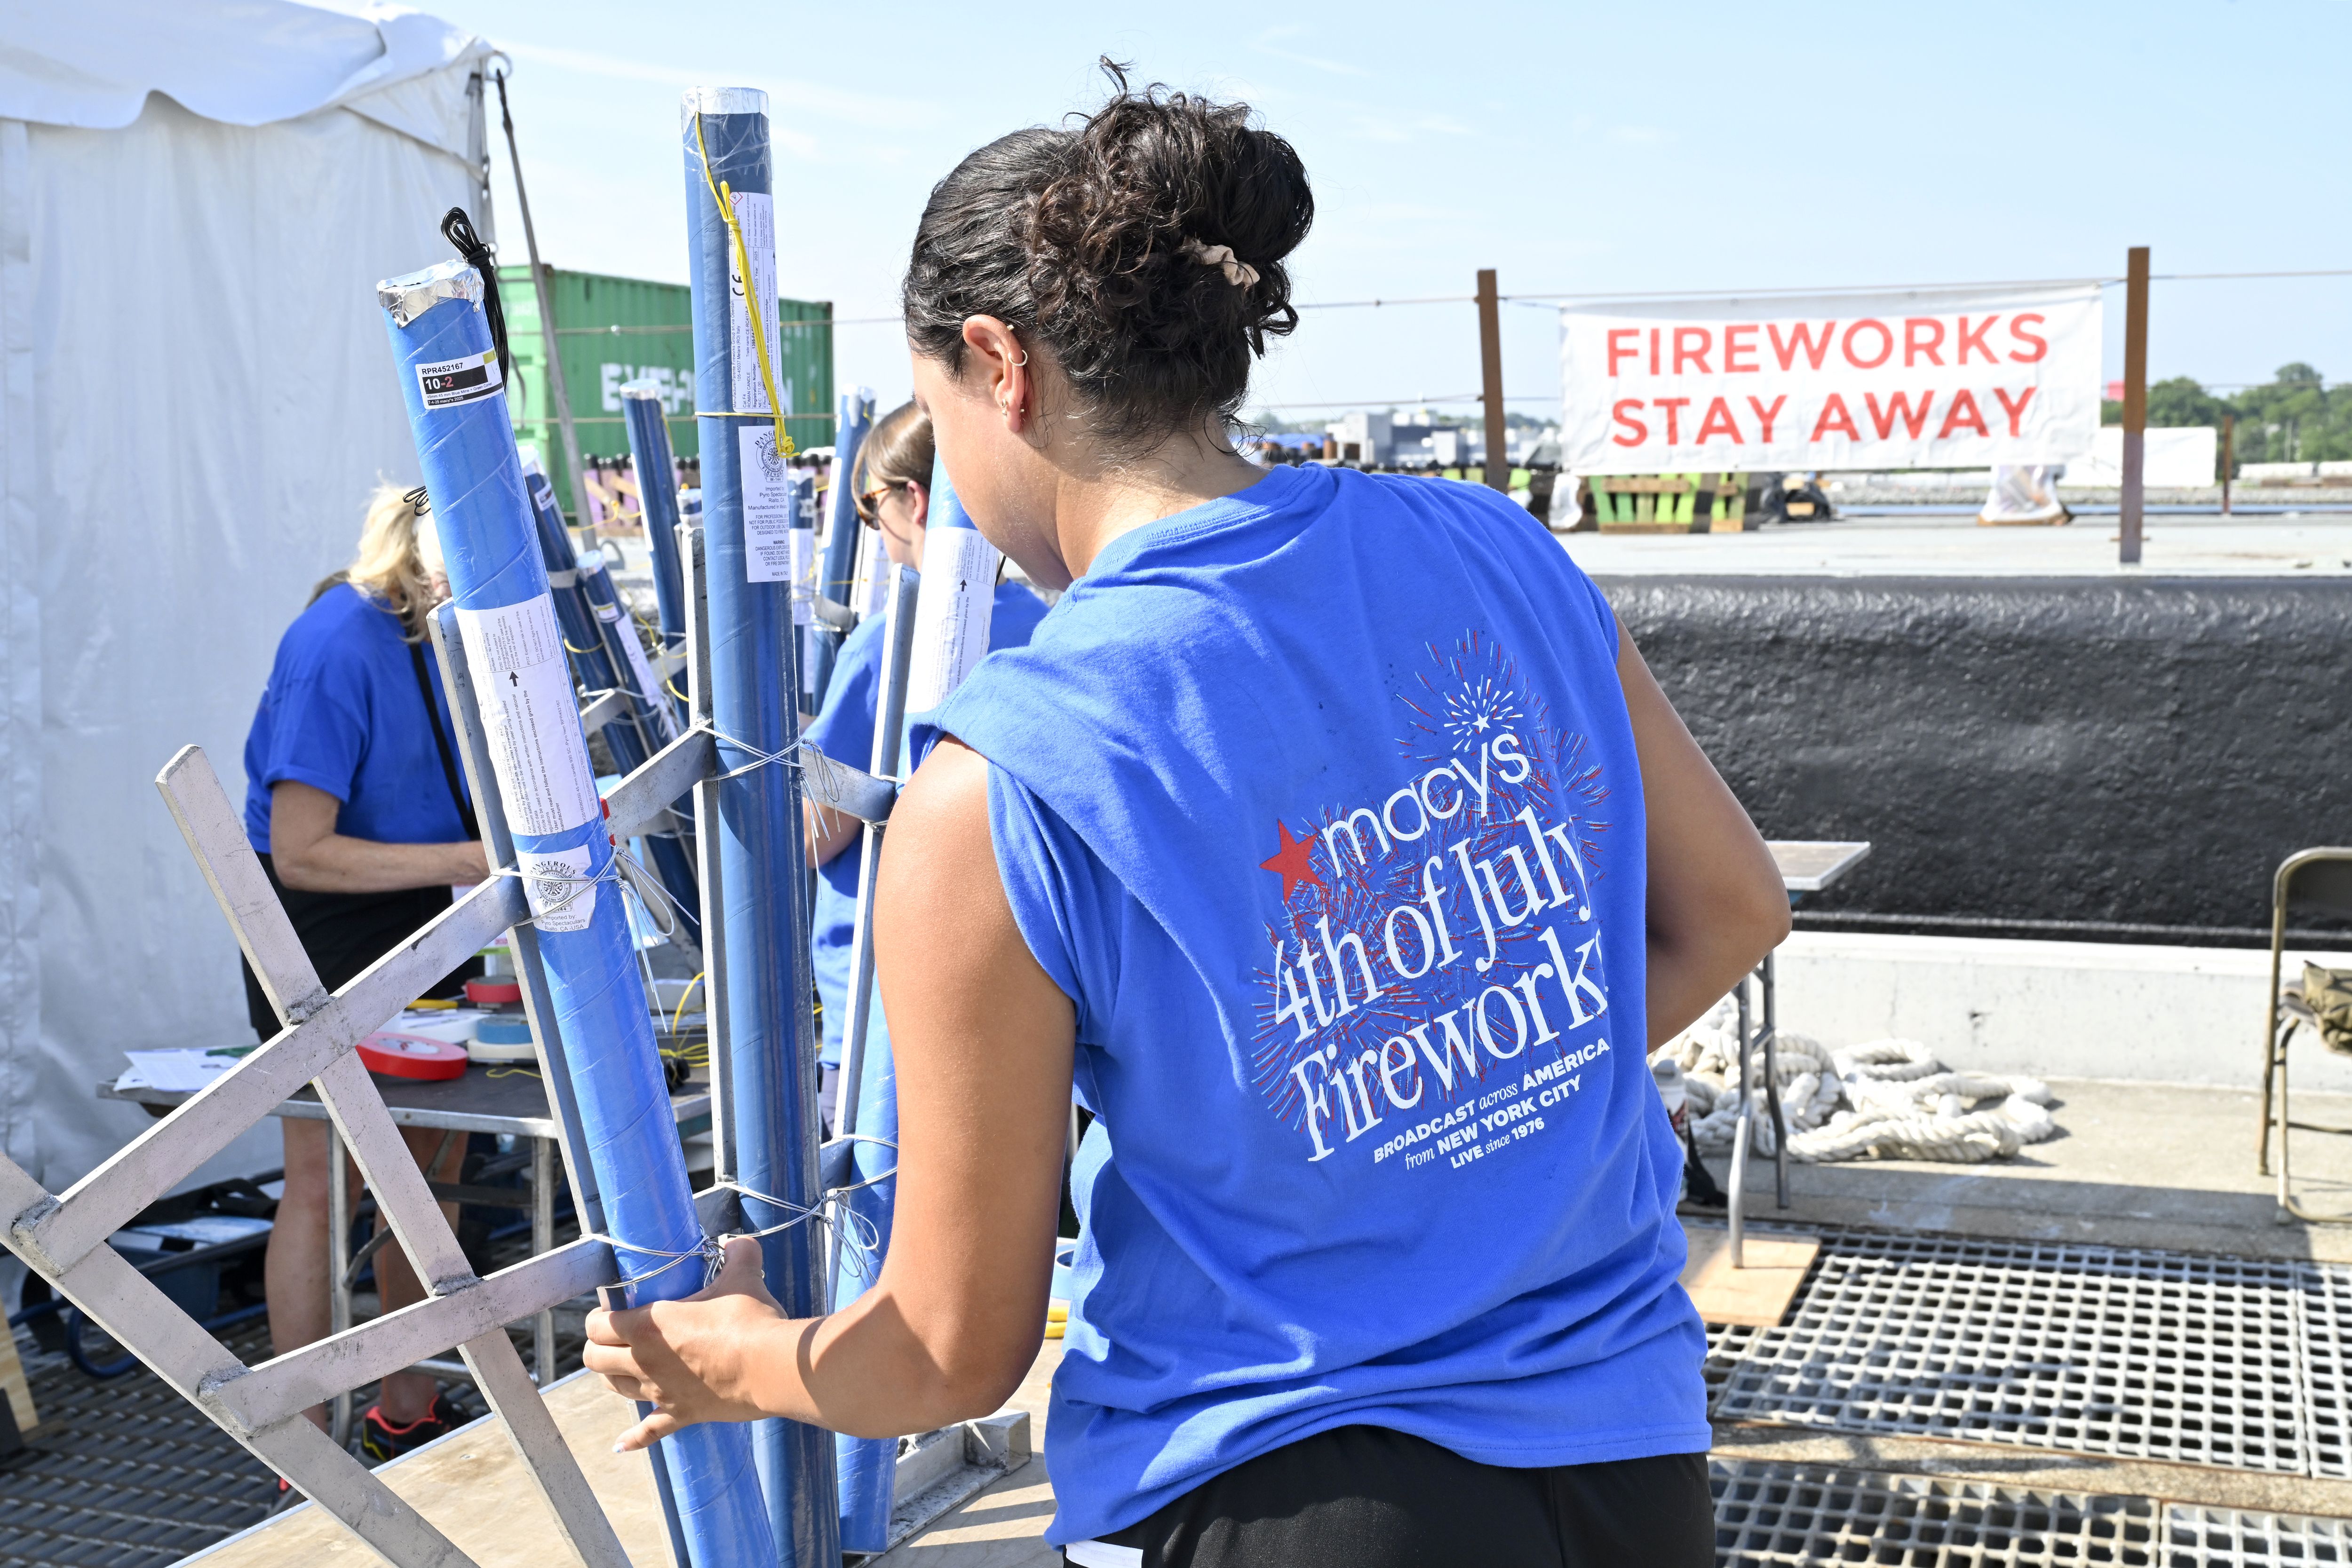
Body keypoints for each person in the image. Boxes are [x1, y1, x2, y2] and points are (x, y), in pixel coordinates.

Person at [585, 71, 1789, 1568]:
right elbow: (1735, 906)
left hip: (1271, 1481)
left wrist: (735, 1357)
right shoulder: (1493, 544)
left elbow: (954, 1343)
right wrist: (1461, 1096)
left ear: (997, 365)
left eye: (940, 415)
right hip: (1629, 1464)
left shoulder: (1006, 772)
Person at [241, 483, 488, 1463]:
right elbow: (301, 850)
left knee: (432, 1170)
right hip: (323, 923)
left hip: (425, 908)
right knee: (324, 1180)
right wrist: (461, 860)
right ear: (432, 568)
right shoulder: (337, 642)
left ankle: (409, 1405)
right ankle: (301, 1445)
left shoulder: (429, 632)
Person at [803, 402, 1048, 1130]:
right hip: (1017, 990)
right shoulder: (1041, 625)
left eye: (869, 507)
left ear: (915, 499)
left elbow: (820, 830)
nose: (873, 533)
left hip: (880, 1003)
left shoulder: (885, 644)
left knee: (873, 1223)